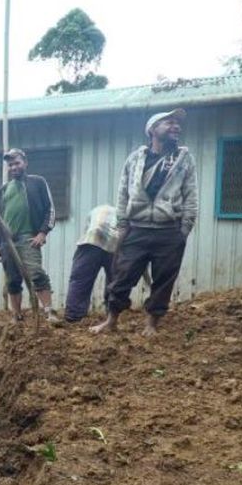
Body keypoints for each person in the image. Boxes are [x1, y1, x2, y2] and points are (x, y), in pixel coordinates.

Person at [91, 108, 198, 336]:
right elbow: (122, 194)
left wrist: (184, 229)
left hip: (169, 231)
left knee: (163, 281)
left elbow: (191, 195)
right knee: (122, 276)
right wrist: (122, 224)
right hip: (136, 229)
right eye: (168, 122)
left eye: (177, 123)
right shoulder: (135, 159)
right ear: (152, 130)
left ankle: (151, 324)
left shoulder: (183, 159)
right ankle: (111, 320)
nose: (175, 126)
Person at [0, 148, 59, 324]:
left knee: (36, 273)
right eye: (10, 165)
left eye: (17, 163)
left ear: (25, 163)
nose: (13, 167)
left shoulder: (37, 182)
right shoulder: (4, 189)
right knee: (12, 280)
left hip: (28, 237)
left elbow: (50, 209)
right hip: (7, 242)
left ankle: (49, 312)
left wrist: (43, 232)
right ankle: (17, 316)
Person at [64, 204, 118, 323]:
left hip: (92, 239)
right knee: (115, 281)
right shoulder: (122, 213)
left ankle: (74, 315)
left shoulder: (96, 211)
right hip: (115, 243)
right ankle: (112, 314)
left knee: (80, 279)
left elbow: (87, 228)